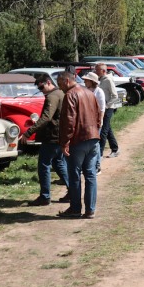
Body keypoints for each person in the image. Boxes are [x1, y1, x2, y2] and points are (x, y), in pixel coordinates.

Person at [57, 70, 100, 219]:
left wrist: (65, 142)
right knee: (90, 175)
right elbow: (98, 115)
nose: (60, 88)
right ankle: (90, 210)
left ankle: (75, 209)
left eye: (61, 84)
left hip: (78, 141)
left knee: (75, 175)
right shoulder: (89, 93)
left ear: (67, 81)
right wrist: (96, 131)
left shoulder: (70, 95)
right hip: (93, 139)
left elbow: (69, 121)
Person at [21, 73, 69, 206]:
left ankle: (45, 197)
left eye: (42, 87)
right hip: (60, 136)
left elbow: (46, 117)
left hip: (52, 137)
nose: (41, 91)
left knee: (44, 166)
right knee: (59, 163)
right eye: (39, 89)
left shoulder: (52, 96)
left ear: (48, 83)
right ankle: (73, 191)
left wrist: (28, 132)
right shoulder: (60, 93)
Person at [82, 72, 105, 175]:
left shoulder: (99, 92)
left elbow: (102, 109)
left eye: (86, 80)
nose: (84, 81)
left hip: (95, 121)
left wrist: (99, 122)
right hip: (87, 121)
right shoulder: (85, 90)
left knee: (95, 143)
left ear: (92, 82)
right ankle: (88, 165)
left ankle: (97, 166)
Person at [95, 63, 120, 158]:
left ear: (103, 71)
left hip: (108, 108)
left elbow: (115, 96)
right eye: (96, 70)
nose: (96, 72)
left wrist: (106, 106)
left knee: (104, 131)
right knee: (108, 129)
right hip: (102, 108)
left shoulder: (108, 80)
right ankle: (115, 149)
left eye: (97, 70)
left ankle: (100, 154)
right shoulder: (99, 80)